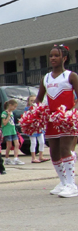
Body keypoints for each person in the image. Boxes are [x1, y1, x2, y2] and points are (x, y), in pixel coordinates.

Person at [35, 44, 78, 197]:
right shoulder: (45, 78)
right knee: (54, 152)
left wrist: (72, 112)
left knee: (65, 149)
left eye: (56, 55)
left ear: (64, 58)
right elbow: (39, 98)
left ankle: (72, 184)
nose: (53, 58)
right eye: (51, 55)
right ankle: (63, 181)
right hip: (51, 119)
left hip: (66, 118)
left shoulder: (70, 76)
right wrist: (35, 112)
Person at [24, 95, 47, 163]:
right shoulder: (27, 108)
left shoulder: (39, 108)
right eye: (31, 100)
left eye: (34, 100)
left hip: (39, 127)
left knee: (42, 142)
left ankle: (41, 156)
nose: (33, 102)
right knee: (33, 142)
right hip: (32, 128)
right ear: (28, 102)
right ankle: (33, 158)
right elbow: (26, 117)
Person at [1, 99, 24, 165]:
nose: (15, 108)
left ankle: (16, 158)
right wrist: (8, 115)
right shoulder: (4, 113)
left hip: (13, 131)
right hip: (7, 131)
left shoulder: (12, 113)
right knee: (9, 145)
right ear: (10, 105)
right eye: (14, 106)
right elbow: (4, 123)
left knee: (17, 144)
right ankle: (7, 158)